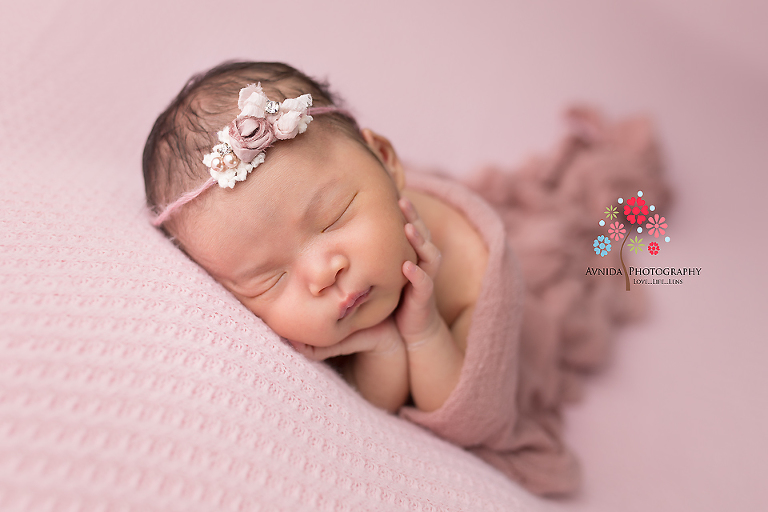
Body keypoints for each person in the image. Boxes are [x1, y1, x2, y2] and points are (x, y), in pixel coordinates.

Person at [143, 60, 669, 495]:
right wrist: (381, 342)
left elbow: (473, 419)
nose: (322, 274)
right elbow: (382, 406)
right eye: (268, 278)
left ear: (387, 162)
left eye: (332, 217)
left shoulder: (476, 268)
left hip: (492, 323)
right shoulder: (348, 251)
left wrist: (422, 332)